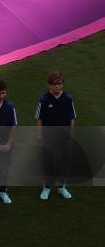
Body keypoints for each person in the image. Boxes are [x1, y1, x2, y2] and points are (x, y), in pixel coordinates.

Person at [35, 71, 76, 200]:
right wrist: (40, 136)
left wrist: (71, 136)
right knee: (49, 163)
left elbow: (72, 119)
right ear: (49, 85)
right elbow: (39, 119)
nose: (57, 86)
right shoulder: (44, 99)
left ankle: (61, 187)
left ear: (63, 84)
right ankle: (46, 188)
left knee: (62, 163)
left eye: (59, 84)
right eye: (54, 84)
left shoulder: (68, 99)